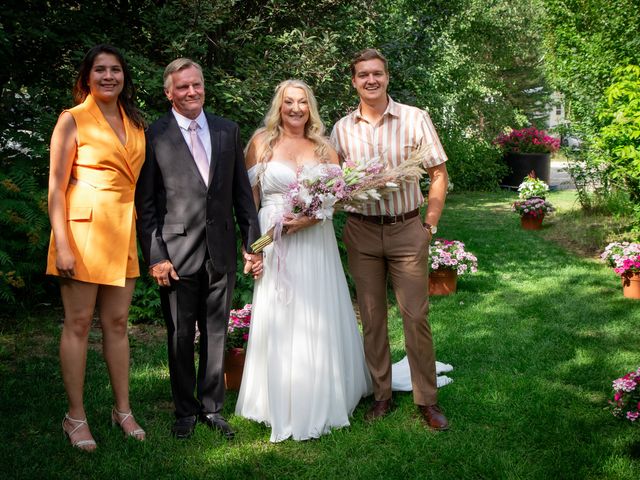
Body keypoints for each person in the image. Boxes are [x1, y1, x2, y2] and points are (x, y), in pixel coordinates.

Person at [235, 79, 372, 442]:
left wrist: (311, 217)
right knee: (281, 311)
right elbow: (248, 201)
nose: (296, 109)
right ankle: (275, 398)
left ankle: (323, 392)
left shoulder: (324, 147)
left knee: (318, 309)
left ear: (311, 107)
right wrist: (252, 247)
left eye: (303, 103)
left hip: (314, 238)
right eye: (288, 102)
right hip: (275, 237)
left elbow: (338, 197)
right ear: (279, 106)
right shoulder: (260, 143)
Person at [135, 58, 261, 440]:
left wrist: (254, 246)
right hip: (175, 254)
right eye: (183, 87)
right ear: (168, 92)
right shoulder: (153, 135)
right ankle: (184, 410)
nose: (192, 92)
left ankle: (212, 408)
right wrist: (156, 256)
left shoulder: (227, 131)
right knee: (178, 333)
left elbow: (243, 196)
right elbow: (147, 205)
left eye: (197, 85)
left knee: (216, 331)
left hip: (219, 251)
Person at [330, 48, 450, 430]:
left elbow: (439, 173)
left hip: (406, 229)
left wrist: (429, 223)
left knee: (416, 317)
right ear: (354, 81)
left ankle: (426, 400)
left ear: (387, 77)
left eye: (377, 73)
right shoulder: (341, 129)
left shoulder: (415, 119)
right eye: (363, 74)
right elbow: (333, 185)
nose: (371, 80)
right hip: (361, 231)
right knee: (372, 318)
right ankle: (381, 395)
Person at [47, 44, 146, 451]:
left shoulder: (134, 120)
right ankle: (75, 416)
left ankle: (122, 409)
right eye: (100, 70)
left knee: (118, 323)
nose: (109, 77)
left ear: (124, 77)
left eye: (116, 70)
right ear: (86, 77)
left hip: (123, 230)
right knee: (78, 324)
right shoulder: (72, 120)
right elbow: (55, 186)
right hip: (83, 234)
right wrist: (63, 246)